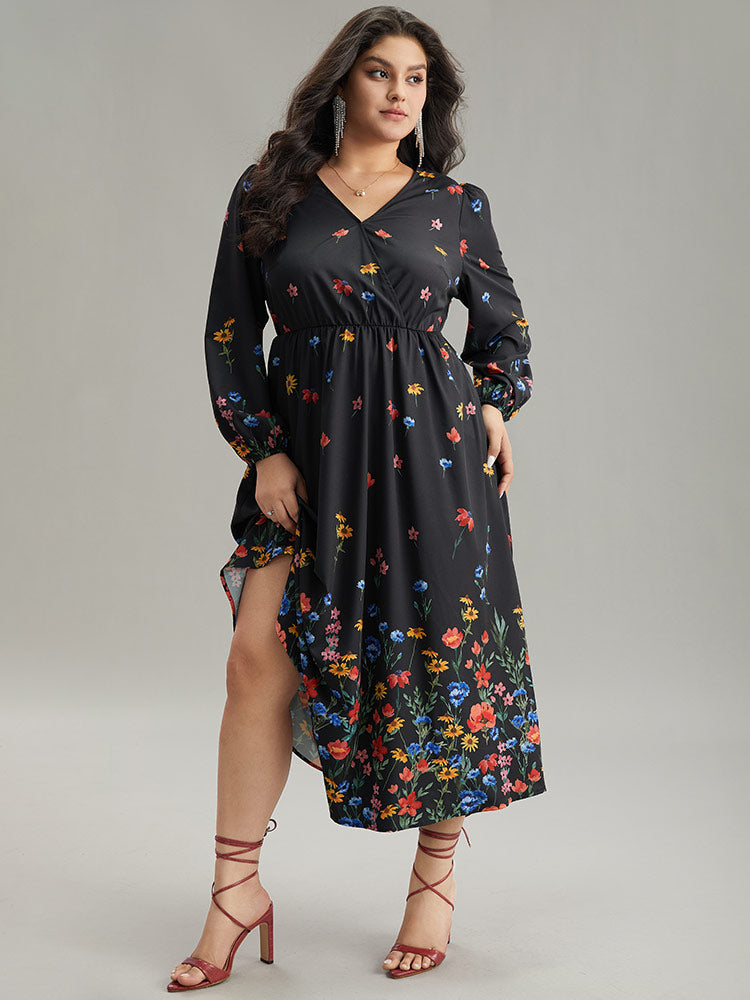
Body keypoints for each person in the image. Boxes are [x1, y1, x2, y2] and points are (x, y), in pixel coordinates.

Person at [168, 5, 547, 991]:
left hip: (436, 467)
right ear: (342, 81)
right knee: (257, 658)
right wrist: (264, 452)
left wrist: (495, 402)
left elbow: (503, 331)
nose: (398, 92)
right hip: (308, 463)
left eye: (415, 79)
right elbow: (229, 332)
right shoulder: (271, 192)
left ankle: (434, 881)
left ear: (430, 97)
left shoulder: (454, 204)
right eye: (380, 72)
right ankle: (236, 889)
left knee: (440, 660)